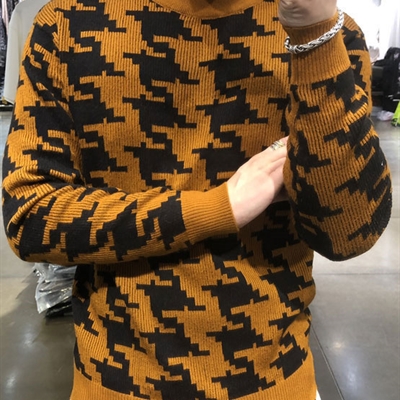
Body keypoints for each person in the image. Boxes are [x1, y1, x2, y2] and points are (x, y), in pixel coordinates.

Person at [1, 0, 392, 399]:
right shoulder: (67, 25)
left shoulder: (330, 34)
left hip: (276, 378)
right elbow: (30, 216)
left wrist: (313, 34)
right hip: (117, 380)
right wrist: (218, 208)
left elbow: (348, 233)